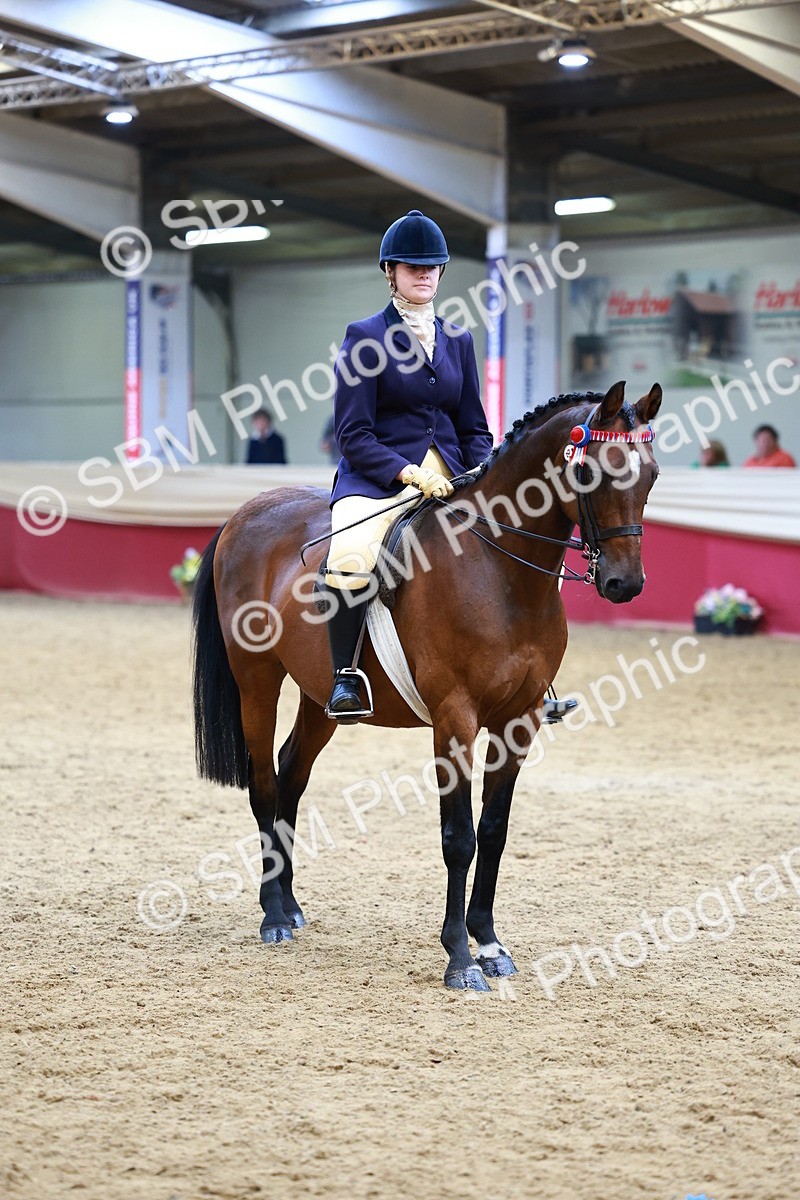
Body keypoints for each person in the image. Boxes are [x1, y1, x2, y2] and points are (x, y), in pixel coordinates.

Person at [320, 209, 575, 725]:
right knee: (350, 554)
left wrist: (488, 475)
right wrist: (409, 474)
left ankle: (534, 676)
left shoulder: (458, 339)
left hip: (456, 478)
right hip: (379, 479)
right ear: (390, 271)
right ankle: (345, 677)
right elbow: (353, 435)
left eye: (432, 266)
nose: (424, 274)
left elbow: (474, 426)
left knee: (526, 542)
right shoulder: (363, 337)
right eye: (412, 266)